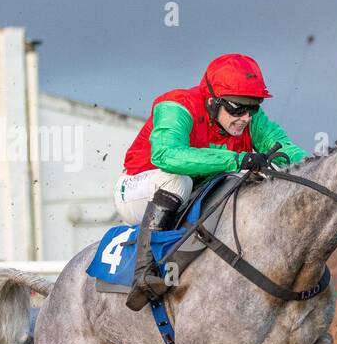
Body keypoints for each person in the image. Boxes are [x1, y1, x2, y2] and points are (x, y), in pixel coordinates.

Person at [117, 53, 306, 310]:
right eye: (237, 108)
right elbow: (166, 155)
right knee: (178, 181)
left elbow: (291, 153)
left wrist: (304, 168)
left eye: (252, 108)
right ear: (211, 100)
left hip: (198, 197)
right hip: (139, 189)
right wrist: (237, 159)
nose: (245, 118)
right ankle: (145, 272)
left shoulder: (251, 119)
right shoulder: (176, 105)